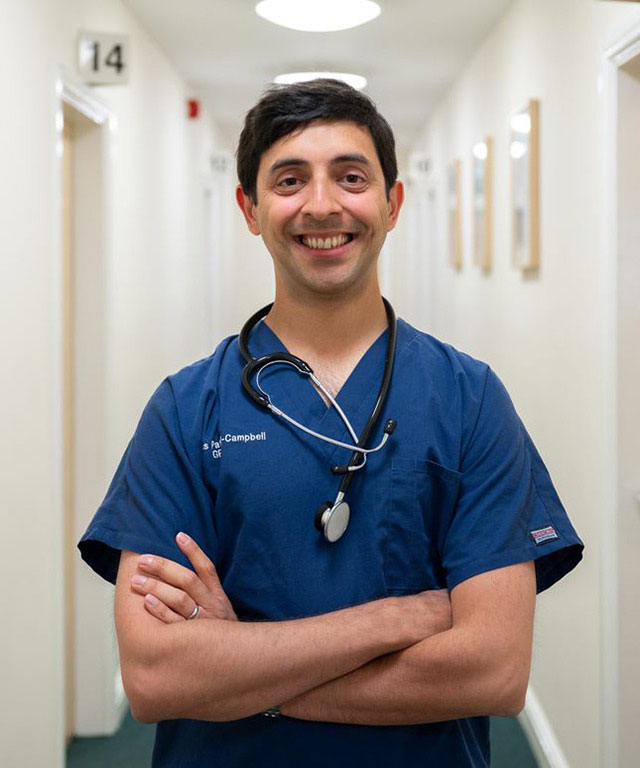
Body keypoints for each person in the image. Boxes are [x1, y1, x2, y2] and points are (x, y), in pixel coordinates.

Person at [78, 78, 584, 768]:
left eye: (351, 177)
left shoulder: (469, 398)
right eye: (289, 180)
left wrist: (245, 671)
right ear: (250, 209)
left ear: (392, 202)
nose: (321, 205)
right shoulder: (183, 409)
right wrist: (392, 619)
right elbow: (158, 677)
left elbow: (492, 670)